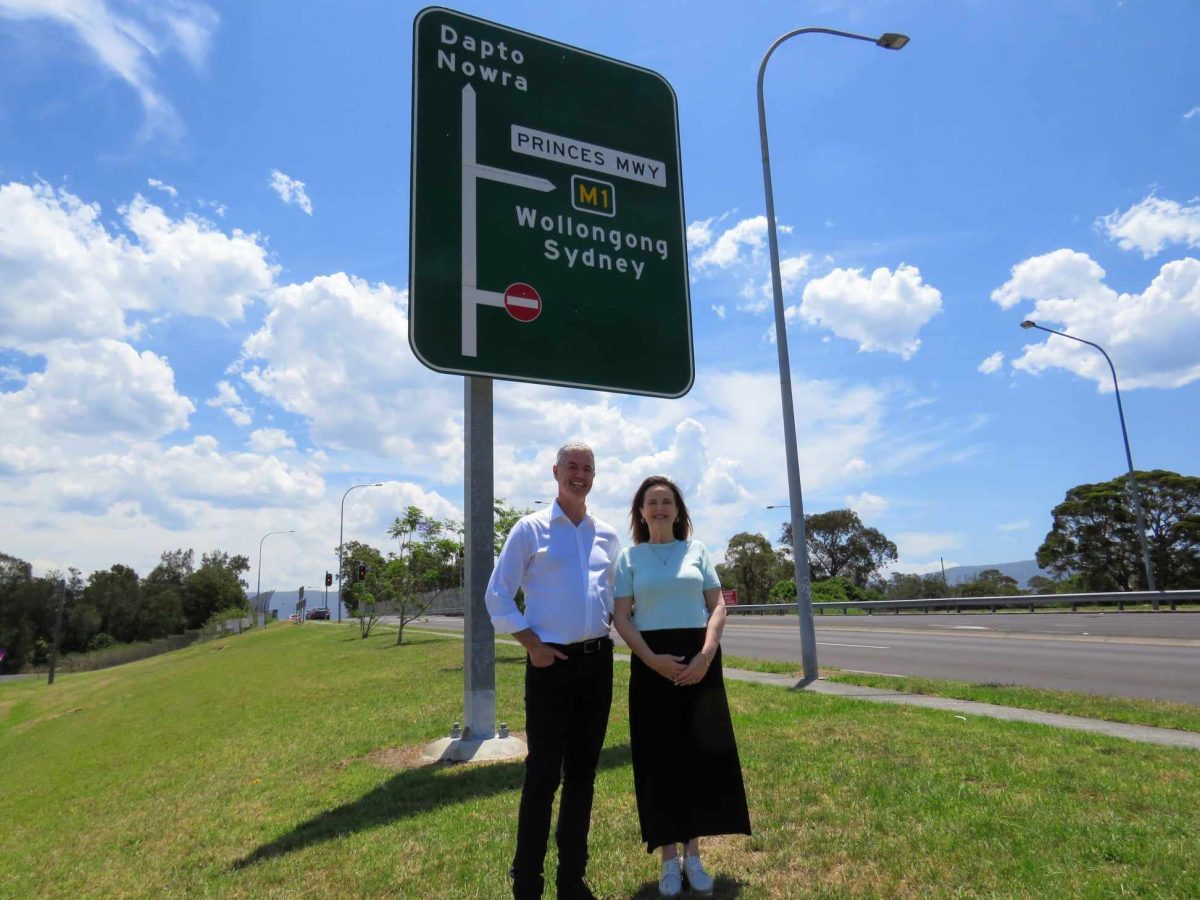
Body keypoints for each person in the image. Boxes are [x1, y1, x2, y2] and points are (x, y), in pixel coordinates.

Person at [485, 441, 621, 900]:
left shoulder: (607, 535)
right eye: (572, 467)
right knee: (543, 774)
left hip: (597, 664)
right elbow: (497, 594)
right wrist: (532, 645)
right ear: (555, 471)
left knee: (583, 775)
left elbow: (616, 599)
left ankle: (571, 879)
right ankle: (527, 883)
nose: (579, 475)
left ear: (594, 476)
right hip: (550, 666)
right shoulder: (530, 529)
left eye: (587, 468)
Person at [612, 475, 751, 898]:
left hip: (699, 661)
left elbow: (717, 607)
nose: (659, 508)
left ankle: (695, 855)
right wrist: (652, 660)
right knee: (661, 759)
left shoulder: (698, 551)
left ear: (677, 510)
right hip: (652, 663)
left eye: (667, 501)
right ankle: (668, 860)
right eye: (651, 502)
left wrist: (706, 655)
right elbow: (621, 618)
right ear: (640, 511)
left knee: (699, 756)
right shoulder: (628, 558)